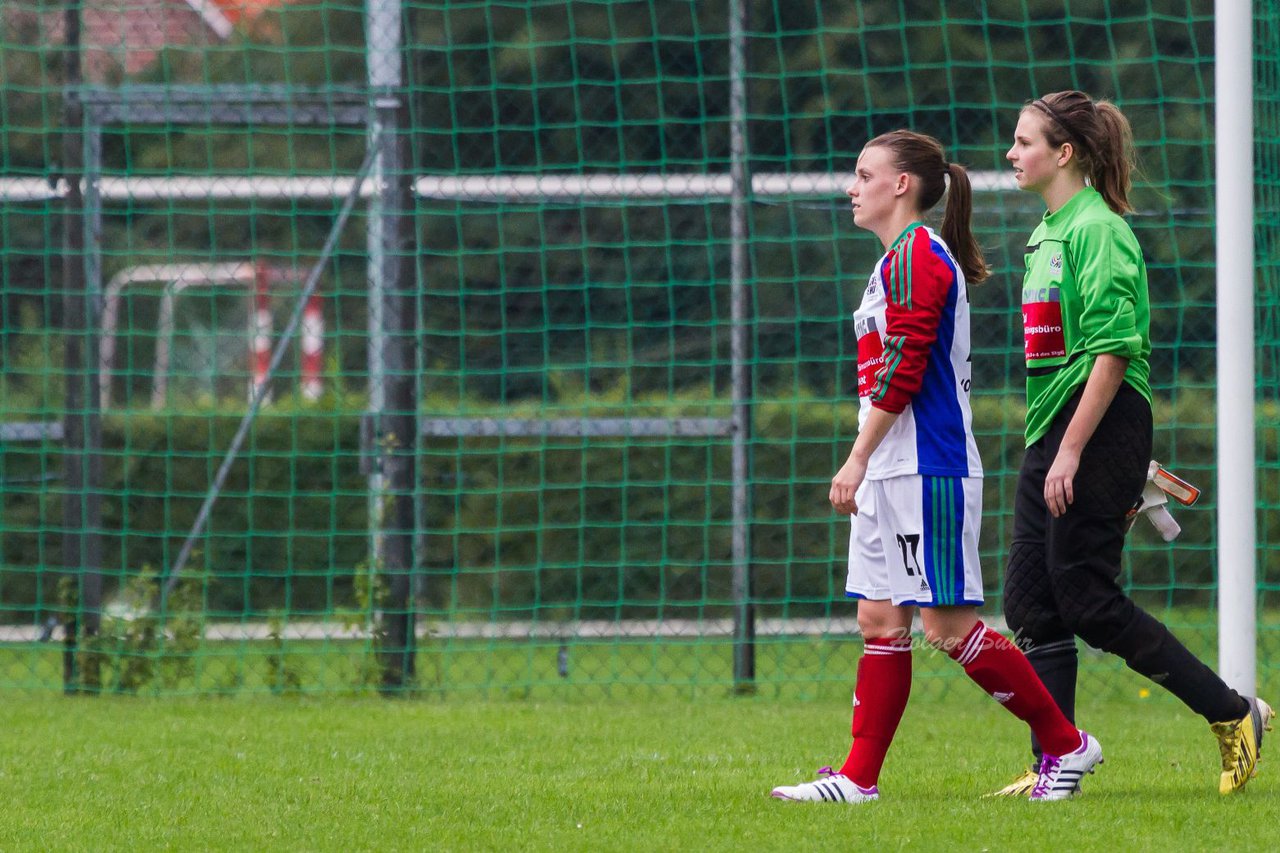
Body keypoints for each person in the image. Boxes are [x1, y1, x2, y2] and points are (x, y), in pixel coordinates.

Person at [769, 130, 1101, 804]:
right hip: (890, 469)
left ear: (902, 185)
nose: (850, 187)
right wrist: (867, 457)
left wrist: (856, 457)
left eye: (863, 175)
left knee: (945, 628)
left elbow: (908, 363)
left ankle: (1068, 745)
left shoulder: (921, 255)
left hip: (927, 467)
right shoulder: (892, 261)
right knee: (879, 619)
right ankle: (859, 778)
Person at [992, 89, 1273, 797]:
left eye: (1024, 141)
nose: (1010, 153)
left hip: (1101, 426)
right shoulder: (1046, 234)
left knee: (1085, 597)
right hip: (1054, 430)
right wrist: (1053, 443)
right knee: (1030, 600)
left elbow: (1113, 354)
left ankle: (1235, 713)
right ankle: (1055, 760)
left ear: (1064, 153)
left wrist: (1073, 450)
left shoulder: (1100, 231)